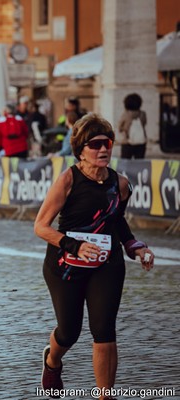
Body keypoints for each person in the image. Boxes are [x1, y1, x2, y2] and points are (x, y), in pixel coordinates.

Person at [34, 113, 155, 400]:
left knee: (104, 329)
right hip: (65, 265)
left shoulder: (120, 184)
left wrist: (136, 247)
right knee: (70, 331)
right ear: (80, 150)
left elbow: (117, 222)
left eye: (108, 143)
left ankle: (105, 396)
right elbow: (40, 226)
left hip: (106, 263)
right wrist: (74, 245)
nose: (103, 149)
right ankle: (52, 361)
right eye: (95, 144)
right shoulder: (68, 180)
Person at [117, 93, 147, 160]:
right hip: (141, 142)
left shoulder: (125, 114)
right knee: (139, 162)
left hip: (127, 142)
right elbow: (144, 123)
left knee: (125, 162)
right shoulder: (143, 114)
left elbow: (120, 127)